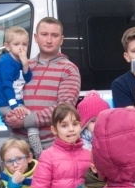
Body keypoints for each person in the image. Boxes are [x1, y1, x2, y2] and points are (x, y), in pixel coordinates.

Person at [4, 17, 81, 155]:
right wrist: (9, 115)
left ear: (61, 40)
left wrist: (25, 121)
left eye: (54, 35)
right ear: (35, 37)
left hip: (52, 147)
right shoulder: (24, 66)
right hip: (18, 147)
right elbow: (9, 93)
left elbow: (63, 109)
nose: (49, 40)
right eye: (44, 34)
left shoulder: (69, 69)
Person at [0, 26, 41, 156]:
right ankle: (37, 153)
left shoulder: (21, 59)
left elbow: (28, 78)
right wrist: (15, 106)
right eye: (16, 44)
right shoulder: (5, 62)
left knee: (29, 122)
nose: (21, 48)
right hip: (5, 104)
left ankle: (34, 152)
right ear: (7, 46)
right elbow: (6, 86)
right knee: (26, 123)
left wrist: (25, 64)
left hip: (16, 102)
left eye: (24, 44)